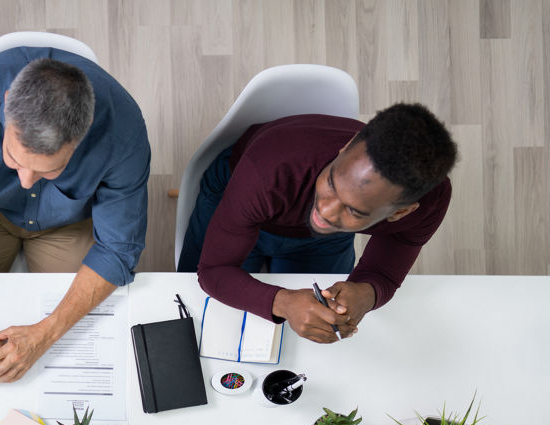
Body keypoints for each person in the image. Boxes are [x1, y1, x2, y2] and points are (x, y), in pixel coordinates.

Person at [0, 48, 150, 383]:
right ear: (7, 104)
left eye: (50, 169)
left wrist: (44, 334)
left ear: (84, 131)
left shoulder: (124, 134)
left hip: (68, 222)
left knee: (83, 340)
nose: (25, 181)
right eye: (13, 159)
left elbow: (118, 250)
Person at [178, 103, 457, 343]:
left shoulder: (429, 204)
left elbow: (384, 274)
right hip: (244, 199)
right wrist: (284, 302)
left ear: (400, 213)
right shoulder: (267, 169)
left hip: (325, 240)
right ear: (346, 147)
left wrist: (365, 293)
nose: (323, 211)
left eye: (354, 210)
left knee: (313, 323)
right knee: (194, 305)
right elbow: (213, 270)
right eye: (332, 182)